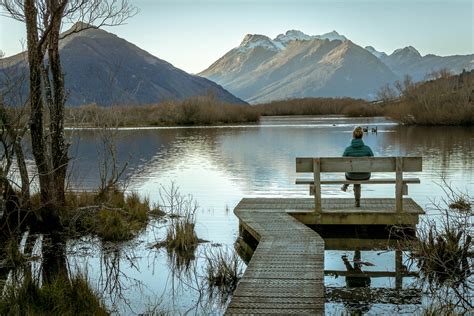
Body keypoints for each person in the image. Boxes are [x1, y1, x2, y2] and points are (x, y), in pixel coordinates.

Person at [341, 126, 374, 207]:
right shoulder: (367, 149)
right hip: (365, 175)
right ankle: (357, 201)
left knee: (351, 173)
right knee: (358, 174)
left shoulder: (348, 149)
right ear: (362, 136)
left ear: (353, 136)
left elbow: (342, 162)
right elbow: (373, 161)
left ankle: (346, 186)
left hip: (351, 176)